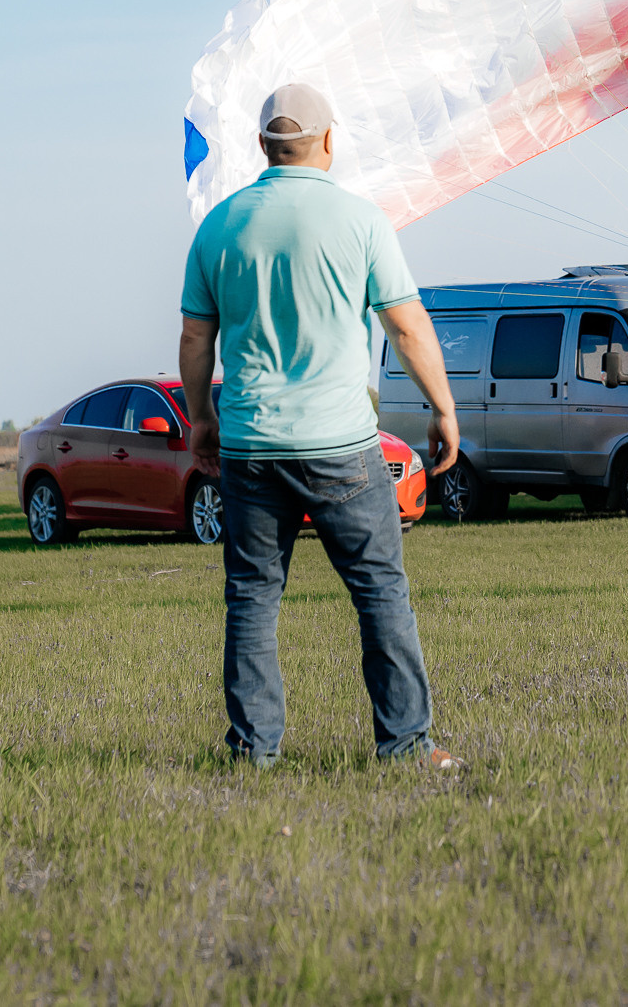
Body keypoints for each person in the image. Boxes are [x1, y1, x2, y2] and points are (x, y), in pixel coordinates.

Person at [178, 83, 463, 770]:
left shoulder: (218, 225)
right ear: (328, 141)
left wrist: (200, 418)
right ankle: (404, 746)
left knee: (251, 598)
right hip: (341, 448)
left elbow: (195, 339)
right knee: (380, 593)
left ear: (261, 146)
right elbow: (405, 323)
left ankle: (253, 752)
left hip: (249, 447)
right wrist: (444, 409)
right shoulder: (360, 221)